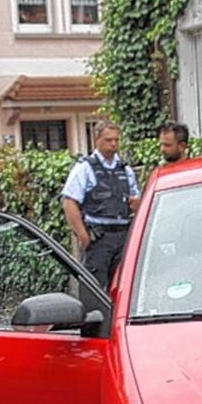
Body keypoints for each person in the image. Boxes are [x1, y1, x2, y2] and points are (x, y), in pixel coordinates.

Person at [61, 120, 141, 289]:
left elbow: (137, 202)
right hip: (99, 238)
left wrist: (136, 204)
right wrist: (84, 236)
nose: (113, 144)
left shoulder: (125, 170)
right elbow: (69, 202)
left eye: (116, 140)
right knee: (94, 292)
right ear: (96, 140)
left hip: (123, 237)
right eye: (108, 140)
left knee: (123, 289)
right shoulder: (85, 168)